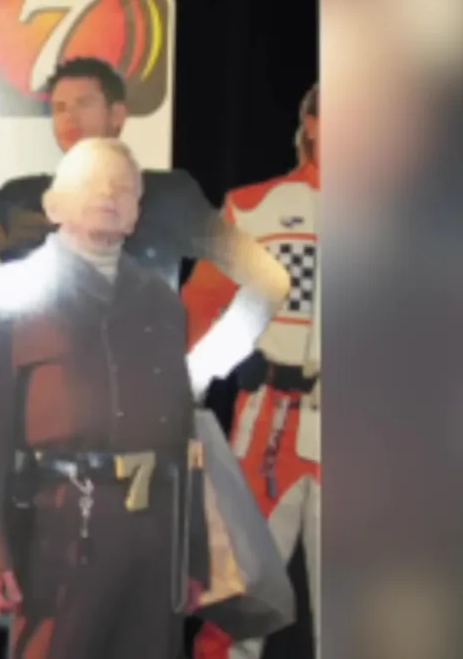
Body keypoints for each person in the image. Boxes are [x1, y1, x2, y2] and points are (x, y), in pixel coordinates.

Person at [0, 56, 291, 627]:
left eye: (85, 103)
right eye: (59, 107)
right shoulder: (21, 198)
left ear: (120, 114)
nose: (70, 118)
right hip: (46, 472)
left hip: (151, 453)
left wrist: (199, 369)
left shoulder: (168, 195)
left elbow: (268, 278)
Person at [0, 138, 209, 658]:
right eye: (92, 183)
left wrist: (194, 551)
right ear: (54, 205)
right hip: (61, 525)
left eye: (123, 187)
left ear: (138, 211)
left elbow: (186, 435)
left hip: (156, 530)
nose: (108, 195)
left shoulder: (162, 301)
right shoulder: (4, 296)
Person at [188, 86, 320, 659]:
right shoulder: (253, 206)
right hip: (270, 423)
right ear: (310, 122)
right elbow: (199, 306)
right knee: (238, 600)